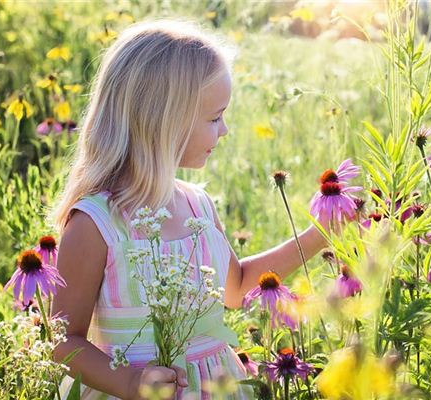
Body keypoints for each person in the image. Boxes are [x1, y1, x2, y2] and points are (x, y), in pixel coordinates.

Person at [51, 20, 330, 400]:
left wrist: (320, 233)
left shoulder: (197, 205)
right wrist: (131, 383)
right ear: (164, 122)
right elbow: (63, 342)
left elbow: (236, 289)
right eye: (215, 117)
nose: (225, 130)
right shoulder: (96, 223)